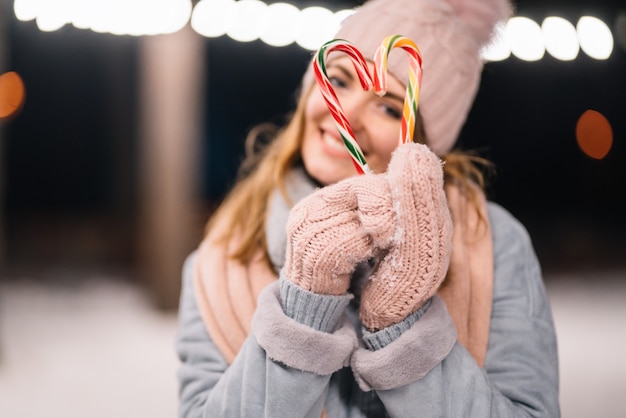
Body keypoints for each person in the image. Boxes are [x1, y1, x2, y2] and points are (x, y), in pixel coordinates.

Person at [176, 0, 561, 416]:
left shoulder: (491, 242)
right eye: (340, 80)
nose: (347, 115)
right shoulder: (217, 264)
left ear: (424, 141)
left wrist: (402, 319)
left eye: (389, 107)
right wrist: (304, 305)